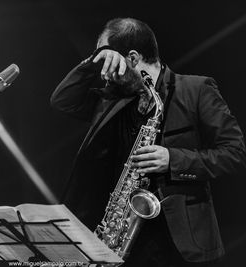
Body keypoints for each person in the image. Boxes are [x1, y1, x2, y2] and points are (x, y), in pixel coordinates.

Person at [50, 18, 246, 266]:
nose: (103, 70)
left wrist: (172, 159)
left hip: (181, 246)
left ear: (131, 58)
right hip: (120, 239)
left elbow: (236, 153)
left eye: (106, 57)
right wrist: (92, 61)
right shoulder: (110, 100)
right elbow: (62, 101)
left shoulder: (197, 89)